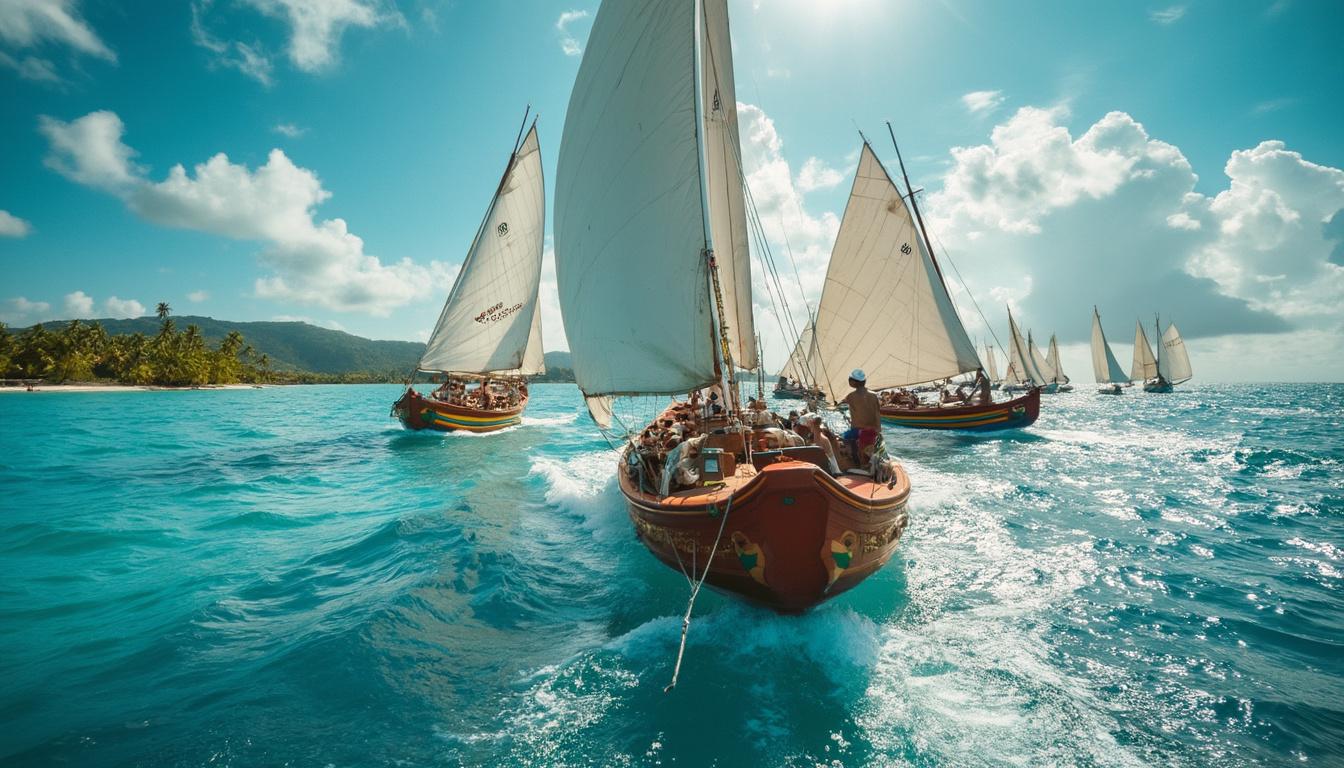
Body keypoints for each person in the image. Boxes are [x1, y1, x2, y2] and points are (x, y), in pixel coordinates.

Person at [841, 368, 881, 466]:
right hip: (874, 430)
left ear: (854, 382)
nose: (849, 381)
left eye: (850, 380)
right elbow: (877, 412)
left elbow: (839, 403)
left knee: (844, 438)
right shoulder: (874, 395)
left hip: (858, 430)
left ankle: (854, 461)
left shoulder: (850, 396)